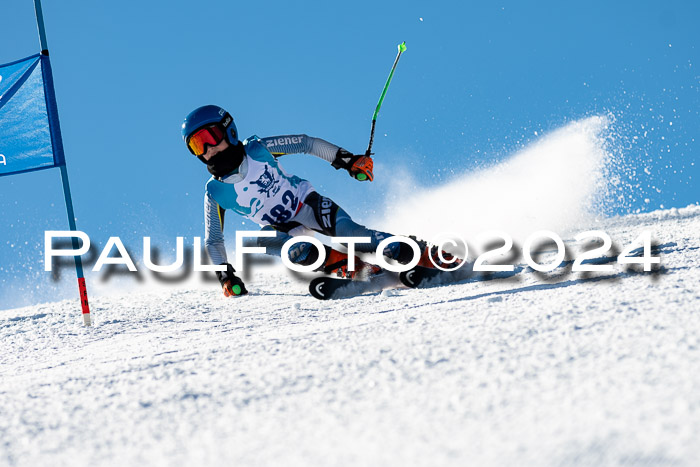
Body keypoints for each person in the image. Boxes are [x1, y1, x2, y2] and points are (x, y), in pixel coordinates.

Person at [182, 105, 458, 297]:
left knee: (355, 236)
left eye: (209, 137)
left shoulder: (258, 149)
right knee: (269, 241)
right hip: (284, 230)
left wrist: (347, 160)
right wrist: (225, 276)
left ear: (228, 131)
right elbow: (213, 240)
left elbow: (306, 143)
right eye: (196, 146)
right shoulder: (215, 192)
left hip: (308, 205)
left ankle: (420, 253)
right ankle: (355, 269)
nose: (207, 150)